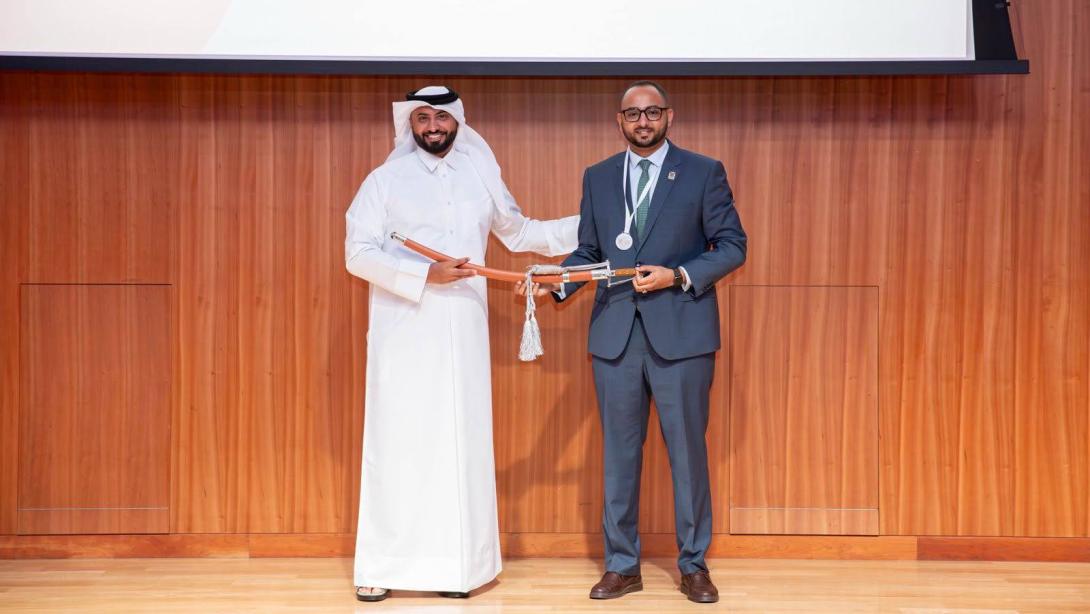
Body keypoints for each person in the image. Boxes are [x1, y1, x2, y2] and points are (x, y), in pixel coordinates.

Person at [345, 85, 578, 602]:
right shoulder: (384, 181)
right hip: (405, 328)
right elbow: (356, 254)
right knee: (399, 442)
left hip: (465, 330)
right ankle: (382, 565)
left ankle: (459, 570)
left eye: (441, 118)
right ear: (411, 125)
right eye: (422, 118)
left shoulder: (478, 175)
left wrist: (594, 225)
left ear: (456, 122)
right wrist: (426, 272)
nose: (432, 126)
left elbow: (519, 233)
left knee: (461, 443)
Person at [519, 80, 746, 603]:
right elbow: (590, 253)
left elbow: (733, 245)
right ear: (619, 122)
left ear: (669, 116)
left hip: (682, 335)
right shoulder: (598, 177)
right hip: (616, 336)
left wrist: (680, 275)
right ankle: (622, 566)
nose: (642, 121)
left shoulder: (702, 171)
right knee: (620, 456)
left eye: (652, 112)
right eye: (632, 114)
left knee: (687, 454)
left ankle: (693, 565)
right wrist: (556, 285)